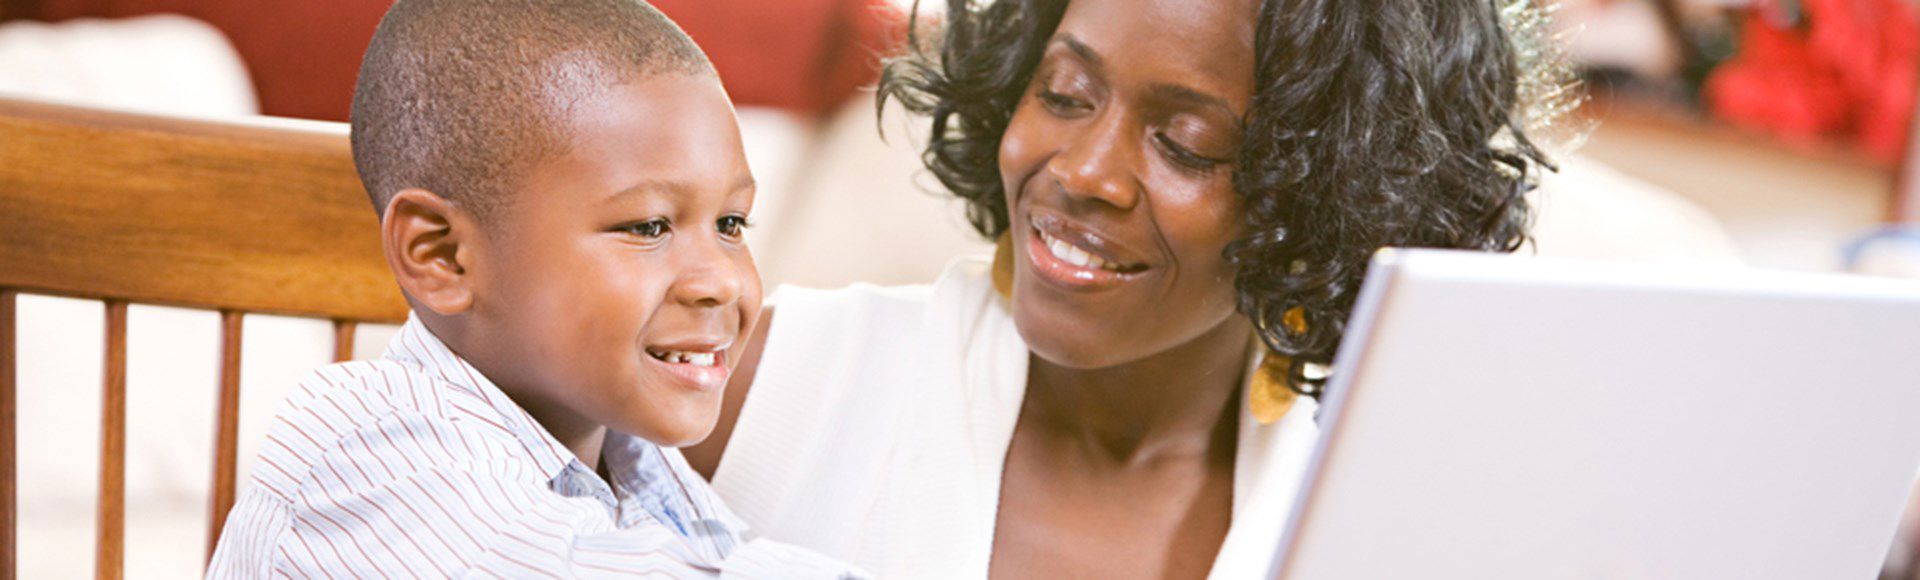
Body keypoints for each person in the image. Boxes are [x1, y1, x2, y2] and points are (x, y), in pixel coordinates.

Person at [683, 0, 1569, 577]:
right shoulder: (751, 389)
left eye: (1185, 144)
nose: (1084, 171)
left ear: (1323, 191)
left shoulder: (1369, 510)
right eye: (1064, 94)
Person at [208, 0, 862, 576]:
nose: (720, 279)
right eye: (648, 226)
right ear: (443, 256)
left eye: (730, 224)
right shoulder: (367, 456)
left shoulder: (632, 461)